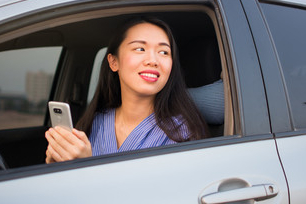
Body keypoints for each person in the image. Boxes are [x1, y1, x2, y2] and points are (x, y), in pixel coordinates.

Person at [45, 17, 208, 163]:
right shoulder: (95, 122)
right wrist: (55, 167)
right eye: (140, 49)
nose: (153, 60)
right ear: (114, 62)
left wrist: (87, 166)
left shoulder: (182, 133)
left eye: (164, 52)